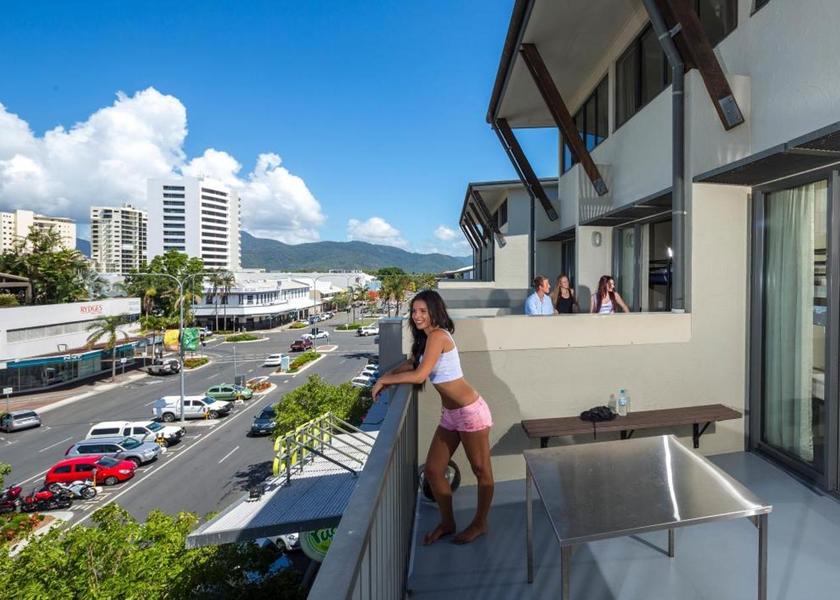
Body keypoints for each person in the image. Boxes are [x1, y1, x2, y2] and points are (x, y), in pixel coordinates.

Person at [372, 290, 493, 545]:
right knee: (434, 471)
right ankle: (447, 523)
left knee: (481, 470)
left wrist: (384, 379)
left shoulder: (438, 336)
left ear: (434, 312)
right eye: (414, 311)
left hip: (470, 412)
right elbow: (413, 365)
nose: (417, 316)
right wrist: (391, 374)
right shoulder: (427, 340)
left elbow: (419, 376)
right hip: (450, 414)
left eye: (422, 311)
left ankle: (480, 523)